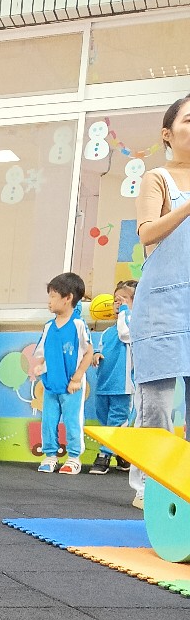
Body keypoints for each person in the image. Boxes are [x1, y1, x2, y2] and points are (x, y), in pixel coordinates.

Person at [129, 93, 190, 509]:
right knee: (157, 404)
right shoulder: (158, 178)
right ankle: (151, 488)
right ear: (167, 134)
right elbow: (147, 233)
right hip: (162, 306)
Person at [31, 273, 94, 475]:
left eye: (53, 296)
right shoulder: (49, 327)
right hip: (51, 384)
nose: (49, 301)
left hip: (71, 385)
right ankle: (50, 455)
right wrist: (40, 367)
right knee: (48, 420)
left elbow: (88, 352)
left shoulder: (78, 324)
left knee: (72, 420)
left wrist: (77, 378)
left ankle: (74, 457)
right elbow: (44, 352)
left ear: (68, 298)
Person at [89, 281, 136, 474]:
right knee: (105, 420)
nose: (118, 303)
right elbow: (100, 348)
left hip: (123, 386)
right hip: (104, 385)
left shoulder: (133, 326)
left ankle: (104, 454)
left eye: (123, 299)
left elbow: (125, 333)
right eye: (116, 300)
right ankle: (122, 453)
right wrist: (96, 355)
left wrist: (125, 311)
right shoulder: (108, 332)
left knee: (117, 420)